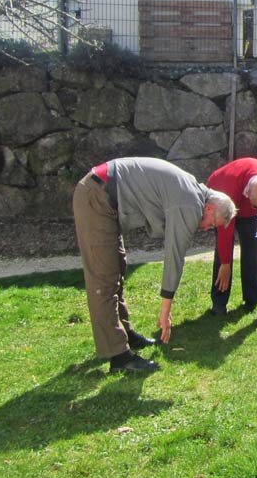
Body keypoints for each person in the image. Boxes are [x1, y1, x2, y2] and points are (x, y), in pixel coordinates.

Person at [73, 157, 236, 373]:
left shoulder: (192, 192)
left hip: (103, 194)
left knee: (116, 269)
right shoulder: (190, 203)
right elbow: (174, 256)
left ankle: (125, 336)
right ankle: (119, 357)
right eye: (211, 224)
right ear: (209, 207)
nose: (206, 229)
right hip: (97, 196)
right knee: (104, 280)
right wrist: (165, 312)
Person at [206, 158, 257, 314]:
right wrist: (226, 263)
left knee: (252, 246)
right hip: (223, 197)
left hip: (245, 203)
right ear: (248, 195)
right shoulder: (229, 186)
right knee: (222, 258)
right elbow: (225, 232)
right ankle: (219, 304)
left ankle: (253, 297)